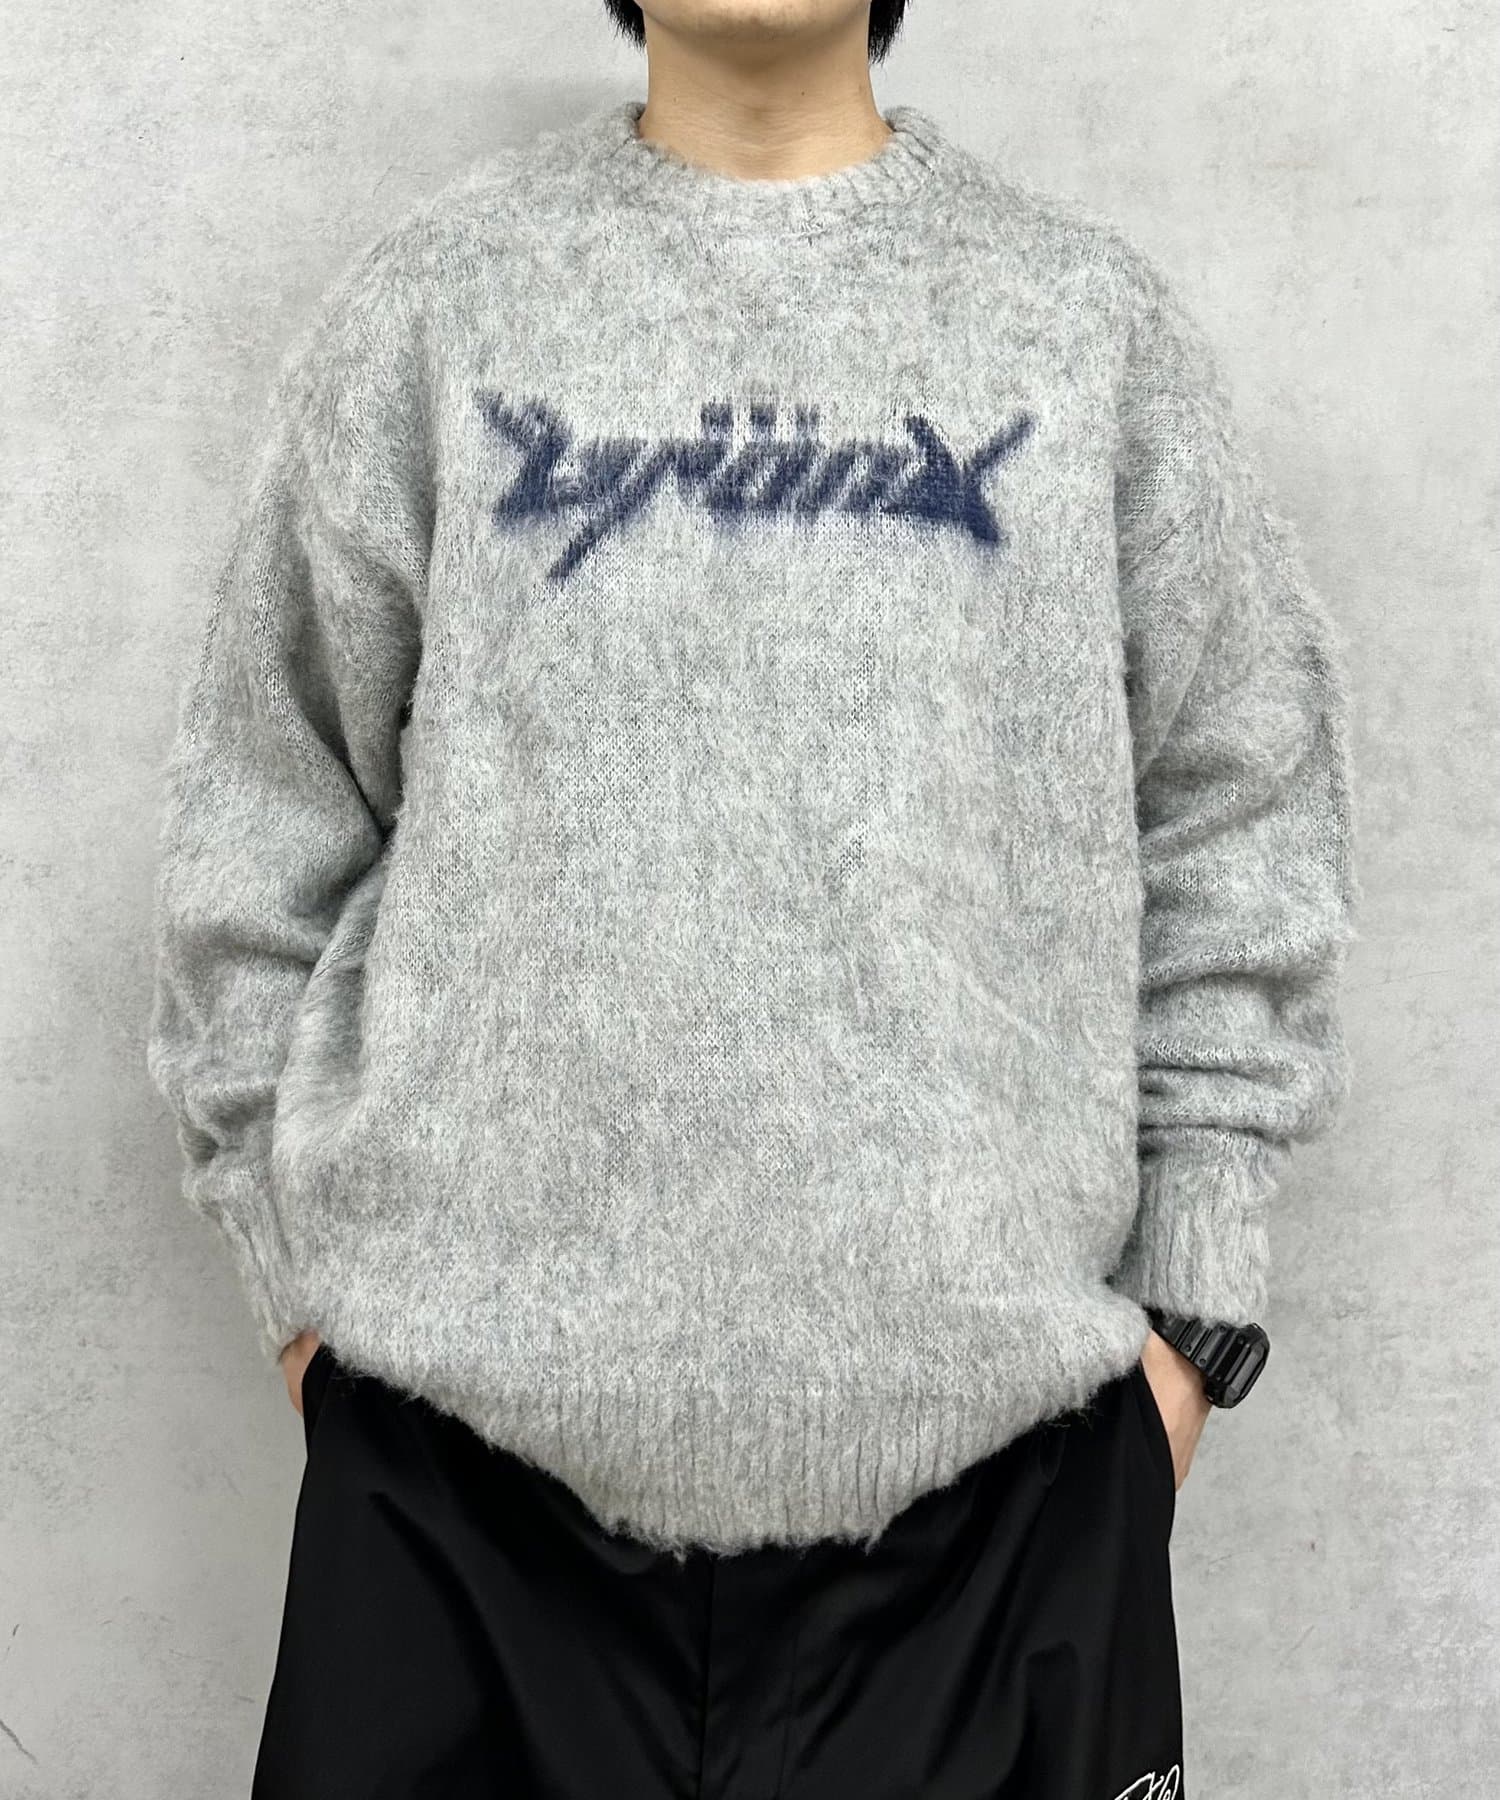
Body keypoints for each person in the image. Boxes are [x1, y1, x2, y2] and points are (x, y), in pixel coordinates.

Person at [144, 2, 1359, 1794]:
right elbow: (265, 801)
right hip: (456, 1523)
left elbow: (1239, 811)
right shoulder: (440, 304)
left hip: (1001, 1529)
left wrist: (1188, 1325)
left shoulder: (1084, 324)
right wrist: (307, 1307)